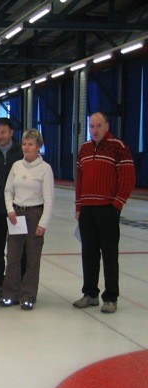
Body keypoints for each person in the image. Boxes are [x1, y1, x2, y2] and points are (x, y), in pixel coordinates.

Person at [73, 112, 135, 314]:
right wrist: (79, 206)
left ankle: (110, 297)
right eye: (92, 126)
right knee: (88, 253)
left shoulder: (118, 147)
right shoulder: (84, 149)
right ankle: (90, 294)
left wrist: (117, 204)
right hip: (87, 209)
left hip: (107, 209)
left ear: (107, 126)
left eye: (99, 126)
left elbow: (127, 178)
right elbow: (80, 179)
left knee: (109, 254)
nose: (95, 130)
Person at [0, 129, 54, 311]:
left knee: (32, 257)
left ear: (38, 147)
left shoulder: (45, 169)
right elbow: (8, 190)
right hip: (17, 215)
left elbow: (49, 200)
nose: (26, 147)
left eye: (30, 144)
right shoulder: (16, 166)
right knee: (13, 256)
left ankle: (28, 296)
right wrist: (10, 210)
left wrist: (42, 223)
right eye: (24, 144)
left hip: (34, 214)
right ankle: (10, 294)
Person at [0, 117, 23, 301]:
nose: (0, 136)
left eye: (3, 132)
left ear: (11, 133)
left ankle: (18, 284)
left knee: (19, 250)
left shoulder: (22, 152)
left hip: (19, 210)